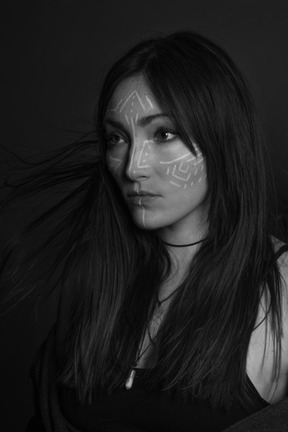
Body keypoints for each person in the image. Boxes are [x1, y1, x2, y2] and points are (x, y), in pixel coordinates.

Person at [2, 31, 288, 431]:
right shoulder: (91, 270)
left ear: (223, 137)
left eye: (163, 134)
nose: (132, 166)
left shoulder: (280, 283)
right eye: (117, 137)